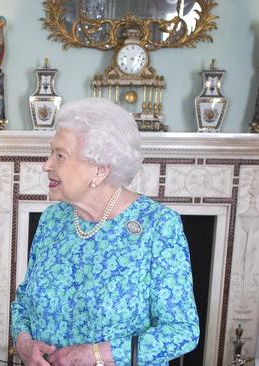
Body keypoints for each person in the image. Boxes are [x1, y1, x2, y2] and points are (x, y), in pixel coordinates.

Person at [11, 98, 199, 366]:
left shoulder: (158, 226)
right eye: (51, 152)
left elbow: (182, 332)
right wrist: (24, 343)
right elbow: (23, 302)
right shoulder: (53, 219)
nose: (46, 165)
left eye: (60, 155)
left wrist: (94, 355)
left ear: (99, 169)